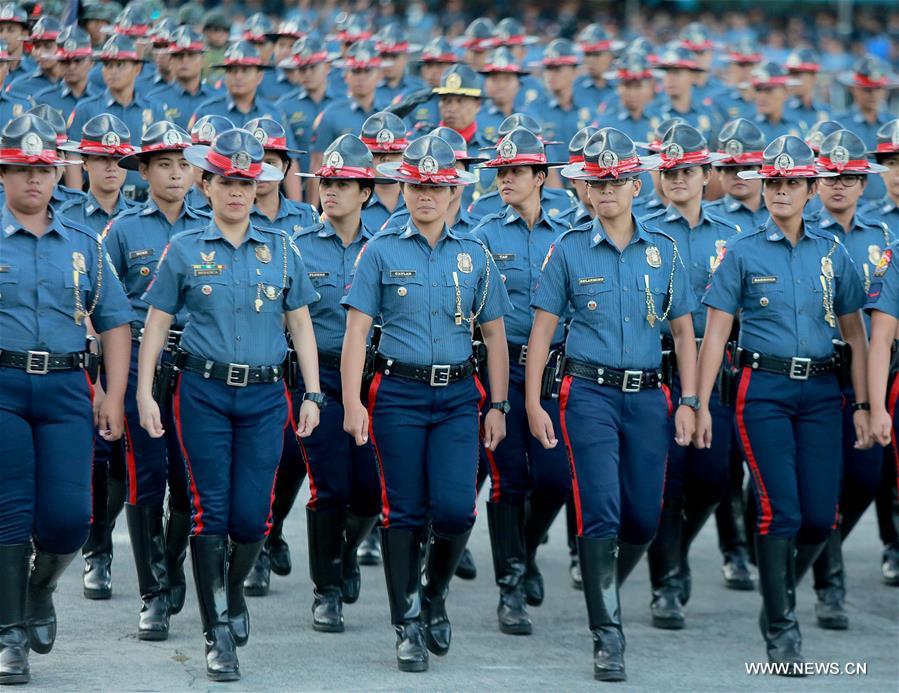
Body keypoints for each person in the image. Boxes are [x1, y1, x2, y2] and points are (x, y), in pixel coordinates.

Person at [137, 128, 322, 682]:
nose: (237, 191)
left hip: (267, 395)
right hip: (204, 392)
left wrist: (312, 393)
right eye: (227, 181)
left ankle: (232, 589)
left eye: (248, 181)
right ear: (207, 185)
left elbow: (301, 325)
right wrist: (146, 393)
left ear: (259, 185)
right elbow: (157, 323)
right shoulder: (186, 249)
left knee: (251, 518)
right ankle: (216, 628)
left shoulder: (282, 248)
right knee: (209, 510)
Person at [526, 127, 698, 681]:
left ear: (636, 182)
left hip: (649, 396)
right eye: (597, 181)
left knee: (644, 518)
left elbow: (685, 332)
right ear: (586, 188)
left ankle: (606, 595)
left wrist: (691, 400)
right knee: (600, 507)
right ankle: (608, 635)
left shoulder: (664, 251)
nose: (608, 190)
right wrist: (533, 401)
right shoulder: (569, 249)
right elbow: (542, 333)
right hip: (588, 394)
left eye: (618, 180)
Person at [695, 135, 870, 672]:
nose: (781, 192)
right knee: (781, 509)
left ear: (812, 189)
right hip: (762, 390)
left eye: (792, 182)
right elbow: (715, 335)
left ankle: (779, 594)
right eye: (773, 182)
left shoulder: (831, 252)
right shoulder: (741, 252)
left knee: (821, 517)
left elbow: (856, 335)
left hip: (821, 392)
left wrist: (863, 404)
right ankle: (782, 628)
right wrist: (697, 404)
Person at [341, 134, 512, 672]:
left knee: (457, 509)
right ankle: (407, 623)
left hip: (460, 394)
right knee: (405, 511)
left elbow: (496, 336)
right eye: (416, 185)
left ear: (455, 193)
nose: (425, 196)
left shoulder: (474, 253)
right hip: (399, 394)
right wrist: (351, 402)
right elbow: (355, 333)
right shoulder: (381, 251)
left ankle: (434, 592)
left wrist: (499, 405)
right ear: (404, 187)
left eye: (437, 187)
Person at [0, 113, 134, 686]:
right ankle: (9, 638)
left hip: (65, 387)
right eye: (21, 169)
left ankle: (39, 590)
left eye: (43, 170)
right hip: (1, 386)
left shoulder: (84, 243)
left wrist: (114, 393)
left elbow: (115, 322)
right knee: (8, 511)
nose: (34, 180)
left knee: (68, 519)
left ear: (58, 174)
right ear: (3, 174)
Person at [104, 120, 208, 640]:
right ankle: (152, 593)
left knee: (188, 484)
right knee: (146, 477)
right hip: (144, 363)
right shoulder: (123, 230)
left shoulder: (211, 223)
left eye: (184, 164)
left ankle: (170, 567)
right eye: (164, 164)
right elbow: (102, 306)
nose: (175, 173)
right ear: (142, 171)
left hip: (196, 367)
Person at [638, 123, 740, 629]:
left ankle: (676, 548)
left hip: (715, 364)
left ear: (707, 175)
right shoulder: (644, 227)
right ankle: (667, 583)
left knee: (714, 477)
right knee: (669, 480)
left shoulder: (733, 234)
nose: (677, 177)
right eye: (669, 170)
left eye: (687, 170)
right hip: (659, 364)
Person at [471, 127, 571, 635]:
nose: (506, 179)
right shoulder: (485, 232)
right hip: (502, 365)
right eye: (501, 172)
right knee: (509, 475)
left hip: (558, 367)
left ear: (541, 176)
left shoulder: (573, 225)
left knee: (555, 479)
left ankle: (526, 551)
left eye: (516, 172)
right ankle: (510, 586)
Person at [288, 134, 385, 631]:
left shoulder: (387, 244)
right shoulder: (297, 247)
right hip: (317, 376)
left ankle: (346, 550)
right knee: (330, 484)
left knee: (370, 490)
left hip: (373, 379)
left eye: (344, 183)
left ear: (365, 192)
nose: (332, 190)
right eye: (327, 181)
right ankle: (325, 589)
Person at [806, 128, 891, 629]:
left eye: (849, 177)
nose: (838, 185)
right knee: (826, 479)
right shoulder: (802, 230)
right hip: (818, 370)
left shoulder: (883, 240)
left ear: (863, 184)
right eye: (830, 176)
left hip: (866, 372)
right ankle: (829, 583)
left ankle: (820, 544)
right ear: (815, 181)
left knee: (865, 475)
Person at [860, 119, 899, 587]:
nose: (896, 172)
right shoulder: (873, 224)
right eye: (890, 163)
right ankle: (892, 541)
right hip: (879, 346)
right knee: (885, 460)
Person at [188, 40, 301, 201]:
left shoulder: (274, 113)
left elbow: (290, 161)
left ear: (259, 76)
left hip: (263, 199)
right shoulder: (206, 111)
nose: (238, 77)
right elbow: (192, 159)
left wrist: (295, 205)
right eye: (232, 71)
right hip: (216, 200)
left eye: (245, 71)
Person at [66, 34, 166, 202]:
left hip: (144, 200)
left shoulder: (154, 108)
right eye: (108, 65)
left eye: (120, 65)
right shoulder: (86, 108)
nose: (113, 71)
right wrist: (77, 200)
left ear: (137, 69)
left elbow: (162, 157)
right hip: (98, 201)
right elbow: (74, 159)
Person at [308, 40, 383, 206]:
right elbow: (317, 164)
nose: (361, 77)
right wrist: (313, 210)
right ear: (346, 75)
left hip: (383, 199)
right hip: (343, 200)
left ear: (379, 75)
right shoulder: (330, 114)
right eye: (355, 71)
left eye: (367, 71)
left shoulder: (389, 113)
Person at [57, 114, 135, 232]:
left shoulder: (139, 218)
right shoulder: (66, 217)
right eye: (102, 158)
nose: (111, 167)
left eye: (118, 159)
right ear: (85, 163)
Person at [276, 35, 338, 177]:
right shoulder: (283, 106)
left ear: (327, 66)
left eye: (313, 67)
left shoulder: (341, 104)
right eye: (302, 68)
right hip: (296, 186)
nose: (307, 73)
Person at [148, 27, 221, 130]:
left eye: (191, 55)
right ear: (171, 60)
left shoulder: (218, 98)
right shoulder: (155, 100)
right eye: (179, 56)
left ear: (202, 60)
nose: (184, 60)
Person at [706, 118, 769, 231]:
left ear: (762, 171)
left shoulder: (780, 210)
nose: (739, 175)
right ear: (720, 173)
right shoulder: (708, 216)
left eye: (747, 168)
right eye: (730, 169)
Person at [32, 26, 97, 119]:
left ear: (91, 62)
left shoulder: (102, 100)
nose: (71, 67)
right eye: (65, 61)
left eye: (78, 61)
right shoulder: (43, 101)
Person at [359, 111, 409, 231]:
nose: (386, 158)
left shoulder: (419, 200)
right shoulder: (351, 202)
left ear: (404, 155)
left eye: (395, 153)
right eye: (377, 153)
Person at [185, 115, 235, 212]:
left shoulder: (244, 202)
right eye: (199, 152)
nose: (204, 160)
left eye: (213, 154)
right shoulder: (177, 203)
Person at [749, 62, 804, 141]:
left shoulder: (796, 126)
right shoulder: (746, 128)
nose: (761, 97)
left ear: (786, 92)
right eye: (758, 90)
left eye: (769, 90)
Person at [374, 25, 425, 110]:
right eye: (384, 56)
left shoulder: (419, 88)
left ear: (406, 57)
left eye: (394, 56)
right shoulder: (369, 89)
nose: (388, 62)